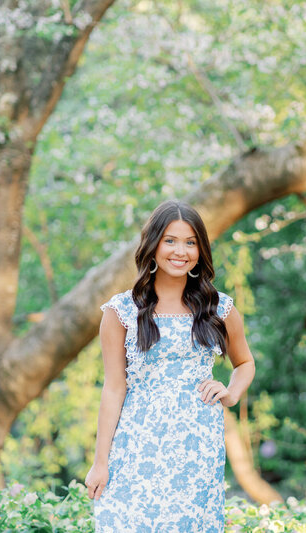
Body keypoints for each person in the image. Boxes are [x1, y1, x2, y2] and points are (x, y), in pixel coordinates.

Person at [84, 200, 256, 532]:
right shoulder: (121, 311)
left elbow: (245, 362)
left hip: (195, 448)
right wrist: (100, 462)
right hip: (135, 446)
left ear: (200, 249)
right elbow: (114, 388)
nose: (181, 251)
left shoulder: (219, 308)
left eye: (191, 242)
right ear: (153, 245)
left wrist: (231, 393)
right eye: (171, 240)